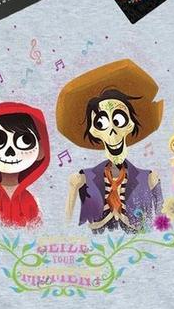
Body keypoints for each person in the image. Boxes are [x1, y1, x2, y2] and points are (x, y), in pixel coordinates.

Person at [55, 59, 163, 233]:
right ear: (93, 131)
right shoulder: (83, 178)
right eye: (101, 124)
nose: (112, 131)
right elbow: (65, 225)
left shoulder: (149, 178)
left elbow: (163, 225)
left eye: (119, 120)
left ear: (131, 125)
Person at [0, 102, 49, 227]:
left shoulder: (28, 199)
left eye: (24, 141)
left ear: (41, 151)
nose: (10, 152)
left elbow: (36, 228)